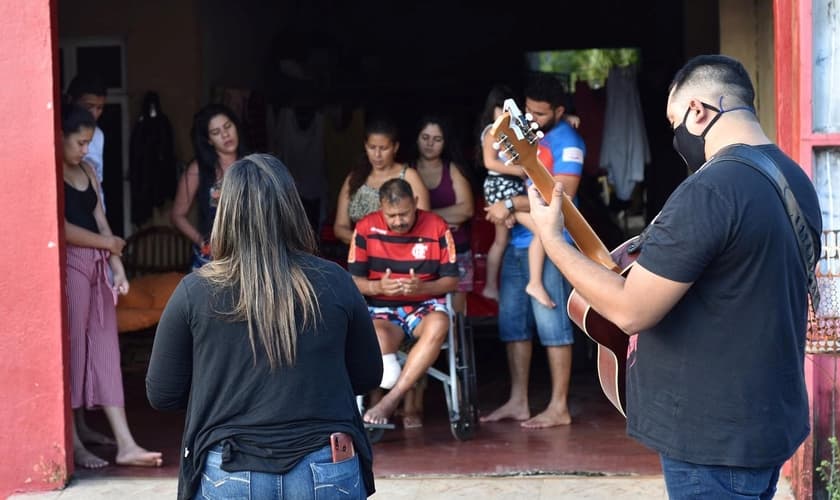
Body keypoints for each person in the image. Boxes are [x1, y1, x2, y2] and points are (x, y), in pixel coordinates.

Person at [527, 55, 821, 499]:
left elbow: (631, 310)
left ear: (698, 111)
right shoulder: (795, 179)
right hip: (768, 421)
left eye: (673, 122)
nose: (676, 137)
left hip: (713, 440)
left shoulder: (710, 190)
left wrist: (553, 241)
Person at [147, 153, 382, 500]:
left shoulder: (195, 291)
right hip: (325, 464)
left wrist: (218, 385)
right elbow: (368, 375)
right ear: (292, 208)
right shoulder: (335, 281)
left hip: (229, 468)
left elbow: (163, 393)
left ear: (226, 214)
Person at [61, 103, 163, 469]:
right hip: (71, 265)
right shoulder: (51, 174)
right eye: (79, 142)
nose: (85, 149)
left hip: (98, 266)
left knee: (105, 351)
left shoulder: (88, 171)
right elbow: (61, 229)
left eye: (89, 142)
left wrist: (117, 268)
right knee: (73, 351)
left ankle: (126, 443)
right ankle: (72, 441)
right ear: (60, 137)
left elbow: (102, 222)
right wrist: (108, 244)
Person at [482, 74, 585, 429]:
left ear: (559, 111)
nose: (532, 118)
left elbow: (563, 191)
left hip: (553, 242)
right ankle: (519, 401)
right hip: (518, 239)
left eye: (540, 114)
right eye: (528, 111)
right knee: (513, 324)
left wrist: (510, 203)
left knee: (552, 326)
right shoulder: (529, 132)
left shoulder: (568, 140)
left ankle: (559, 406)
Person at [348, 179, 459, 427]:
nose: (399, 221)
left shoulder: (437, 226)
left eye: (405, 213)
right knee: (374, 335)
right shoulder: (365, 228)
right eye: (392, 215)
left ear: (416, 203)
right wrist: (378, 287)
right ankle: (388, 380)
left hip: (425, 305)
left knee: (440, 323)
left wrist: (424, 288)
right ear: (381, 207)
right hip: (381, 310)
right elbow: (353, 281)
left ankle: (391, 399)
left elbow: (452, 280)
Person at [478, 85, 556, 309]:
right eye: (499, 111)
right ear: (491, 111)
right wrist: (520, 171)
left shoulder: (515, 131)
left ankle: (491, 287)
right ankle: (533, 283)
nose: (504, 116)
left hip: (508, 187)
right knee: (541, 230)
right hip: (501, 187)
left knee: (501, 240)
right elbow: (489, 162)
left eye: (508, 112)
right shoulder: (491, 131)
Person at [333, 118, 431, 245]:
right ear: (365, 146)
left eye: (383, 148)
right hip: (361, 251)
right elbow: (340, 227)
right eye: (372, 147)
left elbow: (425, 224)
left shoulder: (409, 176)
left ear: (395, 147)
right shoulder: (355, 177)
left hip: (401, 251)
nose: (377, 155)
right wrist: (369, 243)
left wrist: (387, 247)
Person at [171, 103, 245, 269]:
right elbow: (177, 215)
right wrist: (201, 241)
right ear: (209, 140)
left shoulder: (253, 164)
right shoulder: (197, 170)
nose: (225, 134)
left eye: (228, 126)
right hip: (213, 261)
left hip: (249, 257)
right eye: (216, 132)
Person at [67, 73, 107, 208]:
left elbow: (98, 179)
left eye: (100, 108)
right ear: (71, 100)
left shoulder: (99, 135)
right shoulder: (60, 132)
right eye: (89, 106)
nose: (94, 114)